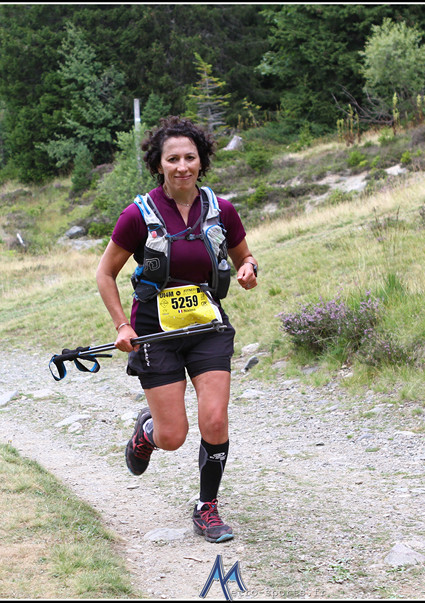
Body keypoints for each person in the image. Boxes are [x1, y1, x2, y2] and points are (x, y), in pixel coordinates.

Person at [95, 116, 259, 544]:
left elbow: (245, 256)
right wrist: (122, 324)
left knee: (215, 418)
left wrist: (248, 269)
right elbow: (105, 273)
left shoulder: (221, 210)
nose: (182, 166)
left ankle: (207, 508)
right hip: (155, 332)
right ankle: (147, 432)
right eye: (173, 159)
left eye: (190, 157)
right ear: (158, 164)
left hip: (207, 326)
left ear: (201, 161)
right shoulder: (137, 215)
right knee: (173, 437)